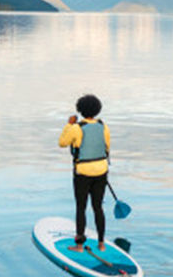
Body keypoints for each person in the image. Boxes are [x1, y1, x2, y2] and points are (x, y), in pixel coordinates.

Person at [58, 94, 111, 253]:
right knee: (98, 207)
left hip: (83, 172)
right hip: (102, 170)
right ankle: (101, 244)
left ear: (80, 110)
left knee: (81, 208)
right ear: (97, 110)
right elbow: (106, 147)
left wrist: (68, 125)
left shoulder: (76, 128)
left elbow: (62, 143)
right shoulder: (103, 126)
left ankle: (79, 246)